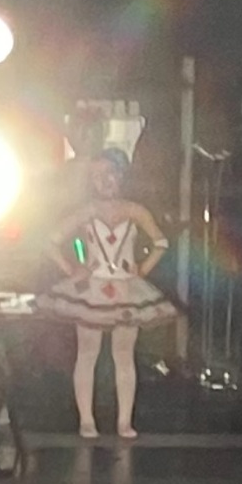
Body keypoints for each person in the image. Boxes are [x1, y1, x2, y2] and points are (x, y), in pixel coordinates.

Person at [35, 148, 178, 441]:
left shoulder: (136, 211)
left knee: (124, 355)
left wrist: (142, 268)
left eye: (109, 173)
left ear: (121, 175)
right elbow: (50, 241)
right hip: (92, 289)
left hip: (125, 287)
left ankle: (124, 421)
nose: (104, 181)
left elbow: (161, 242)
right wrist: (72, 269)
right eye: (96, 176)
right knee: (87, 353)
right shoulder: (86, 211)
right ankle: (86, 420)